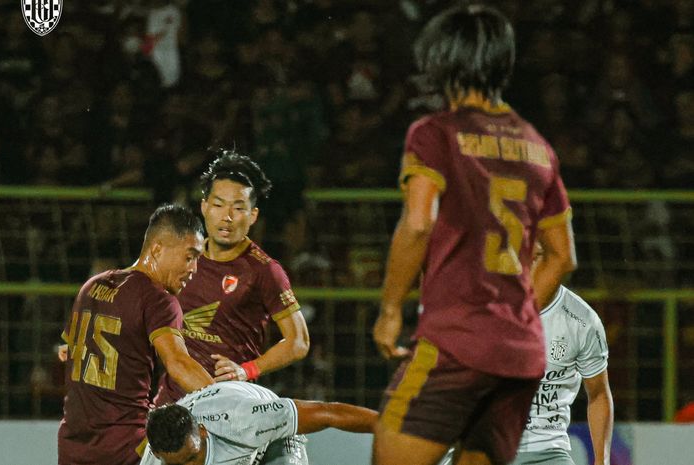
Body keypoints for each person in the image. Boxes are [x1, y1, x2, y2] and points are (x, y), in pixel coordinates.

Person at [372, 5, 577, 465]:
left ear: (441, 60)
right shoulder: (537, 145)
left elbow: (419, 223)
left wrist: (389, 309)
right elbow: (562, 257)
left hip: (456, 343)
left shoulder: (435, 133)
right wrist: (513, 315)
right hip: (520, 355)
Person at [58, 204, 215, 465]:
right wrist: (231, 400)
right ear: (157, 249)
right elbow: (178, 364)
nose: (195, 268)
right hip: (125, 448)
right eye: (190, 256)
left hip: (72, 446)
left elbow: (68, 352)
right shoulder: (158, 300)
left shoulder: (92, 286)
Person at [155, 149, 310, 405]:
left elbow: (299, 342)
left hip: (230, 406)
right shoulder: (180, 254)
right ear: (204, 207)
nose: (226, 217)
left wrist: (246, 370)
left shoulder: (264, 270)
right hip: (172, 402)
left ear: (253, 215)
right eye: (218, 205)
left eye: (238, 208)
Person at [440, 285, 613, 465]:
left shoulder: (582, 321)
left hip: (546, 451)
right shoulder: (482, 306)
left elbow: (598, 393)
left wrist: (602, 461)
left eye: (539, 256)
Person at [140, 381, 378, 465]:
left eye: (193, 458)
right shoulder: (155, 457)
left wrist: (392, 427)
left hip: (270, 443)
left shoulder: (245, 420)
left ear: (202, 432)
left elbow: (328, 413)